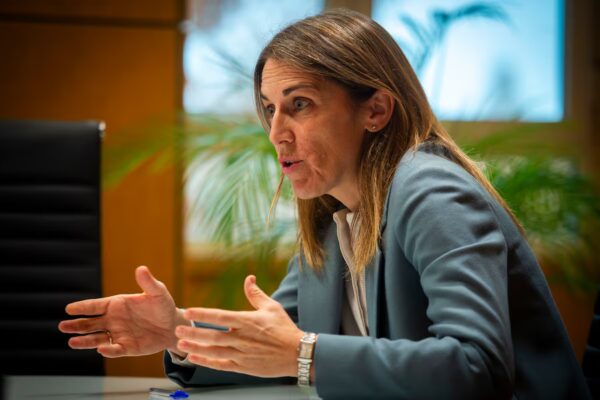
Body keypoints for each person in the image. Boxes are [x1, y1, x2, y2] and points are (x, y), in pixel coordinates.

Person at [59, 9, 591, 399]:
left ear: (375, 110)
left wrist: (302, 354)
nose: (276, 133)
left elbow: (478, 368)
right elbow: (272, 344)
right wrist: (177, 333)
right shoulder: (333, 216)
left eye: (300, 104)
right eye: (270, 109)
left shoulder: (432, 191)